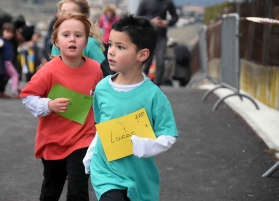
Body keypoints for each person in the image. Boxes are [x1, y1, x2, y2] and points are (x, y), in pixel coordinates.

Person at [83, 13, 178, 201]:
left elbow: (169, 134)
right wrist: (91, 154)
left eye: (120, 47)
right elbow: (101, 128)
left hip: (140, 177)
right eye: (110, 44)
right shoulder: (101, 88)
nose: (110, 51)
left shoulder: (154, 96)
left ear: (142, 54)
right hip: (106, 172)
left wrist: (145, 146)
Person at [20, 13, 103, 200]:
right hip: (53, 141)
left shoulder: (95, 69)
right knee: (52, 188)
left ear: (86, 41)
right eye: (66, 35)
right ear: (56, 41)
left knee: (78, 189)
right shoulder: (49, 70)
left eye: (78, 35)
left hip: (83, 137)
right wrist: (48, 104)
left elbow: (99, 100)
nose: (72, 39)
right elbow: (27, 96)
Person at [0, 8, 34, 98]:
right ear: (19, 32)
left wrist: (13, 87)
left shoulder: (12, 40)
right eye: (21, 40)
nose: (20, 43)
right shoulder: (1, 17)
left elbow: (10, 64)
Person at [51, 0, 113, 77]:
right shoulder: (57, 44)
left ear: (83, 17)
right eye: (63, 12)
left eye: (71, 13)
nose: (65, 16)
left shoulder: (90, 44)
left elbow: (107, 75)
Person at [136, 0, 179, 87]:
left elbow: (175, 17)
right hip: (147, 36)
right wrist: (150, 21)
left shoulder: (167, 2)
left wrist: (167, 22)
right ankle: (140, 84)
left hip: (161, 37)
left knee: (160, 61)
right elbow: (137, 17)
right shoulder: (144, 2)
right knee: (146, 62)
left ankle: (156, 87)